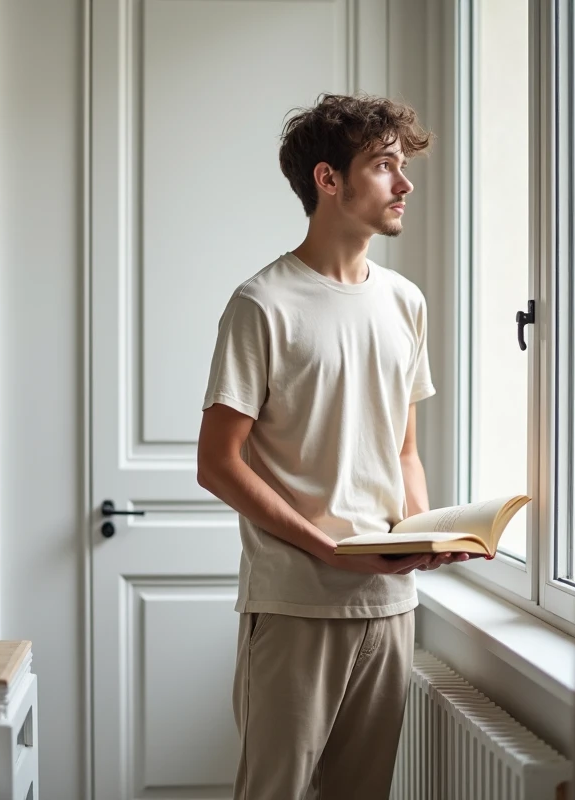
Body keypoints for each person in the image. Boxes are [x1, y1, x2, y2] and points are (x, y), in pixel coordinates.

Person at [196, 93, 469, 800]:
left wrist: (424, 535)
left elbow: (402, 451)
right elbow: (217, 465)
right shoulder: (262, 304)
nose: (404, 184)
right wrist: (328, 548)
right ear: (328, 179)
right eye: (384, 166)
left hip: (390, 604)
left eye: (402, 166)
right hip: (296, 604)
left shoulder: (406, 301)